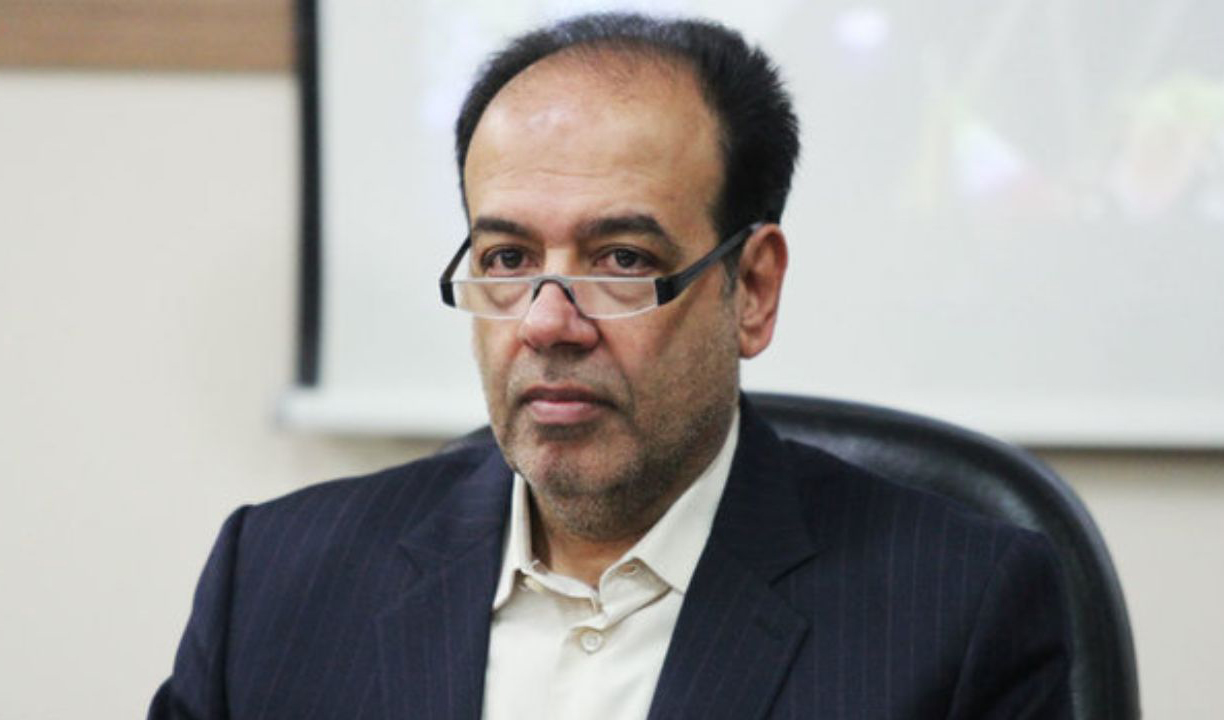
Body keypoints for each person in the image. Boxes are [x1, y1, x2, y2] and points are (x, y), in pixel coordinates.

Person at [151, 13, 1071, 719]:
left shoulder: (960, 612)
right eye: (508, 259)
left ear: (752, 290)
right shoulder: (276, 580)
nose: (547, 322)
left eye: (622, 260)